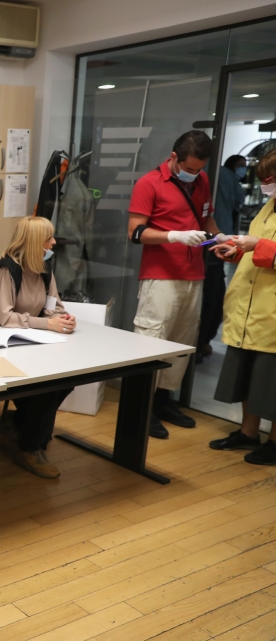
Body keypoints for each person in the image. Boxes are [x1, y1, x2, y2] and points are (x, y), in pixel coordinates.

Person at [127, 131, 221, 439]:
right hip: (160, 275)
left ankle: (164, 400)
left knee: (181, 342)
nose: (194, 175)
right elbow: (135, 232)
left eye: (199, 169)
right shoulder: (149, 184)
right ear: (173, 157)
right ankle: (143, 407)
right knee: (152, 341)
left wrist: (219, 240)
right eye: (190, 168)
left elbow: (206, 221)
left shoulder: (202, 182)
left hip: (193, 274)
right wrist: (174, 235)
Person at [0, 216, 75, 478]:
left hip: (31, 343)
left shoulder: (44, 267)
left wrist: (64, 318)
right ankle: (30, 446)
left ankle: (19, 427)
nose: (53, 242)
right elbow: (4, 318)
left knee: (66, 380)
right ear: (34, 243)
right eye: (48, 238)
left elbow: (55, 306)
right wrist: (46, 324)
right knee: (45, 387)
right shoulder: (7, 270)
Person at [208, 149, 276, 465]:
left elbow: (264, 248)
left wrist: (257, 247)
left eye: (271, 179)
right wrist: (236, 251)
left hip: (271, 312)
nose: (266, 184)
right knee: (248, 374)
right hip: (251, 305)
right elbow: (257, 246)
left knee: (271, 380)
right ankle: (248, 432)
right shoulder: (269, 207)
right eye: (263, 179)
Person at [198, 154, 247, 360]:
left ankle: (198, 345)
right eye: (241, 167)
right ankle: (202, 344)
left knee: (208, 297)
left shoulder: (198, 175)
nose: (243, 171)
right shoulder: (227, 178)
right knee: (213, 298)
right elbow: (239, 202)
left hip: (201, 243)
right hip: (219, 243)